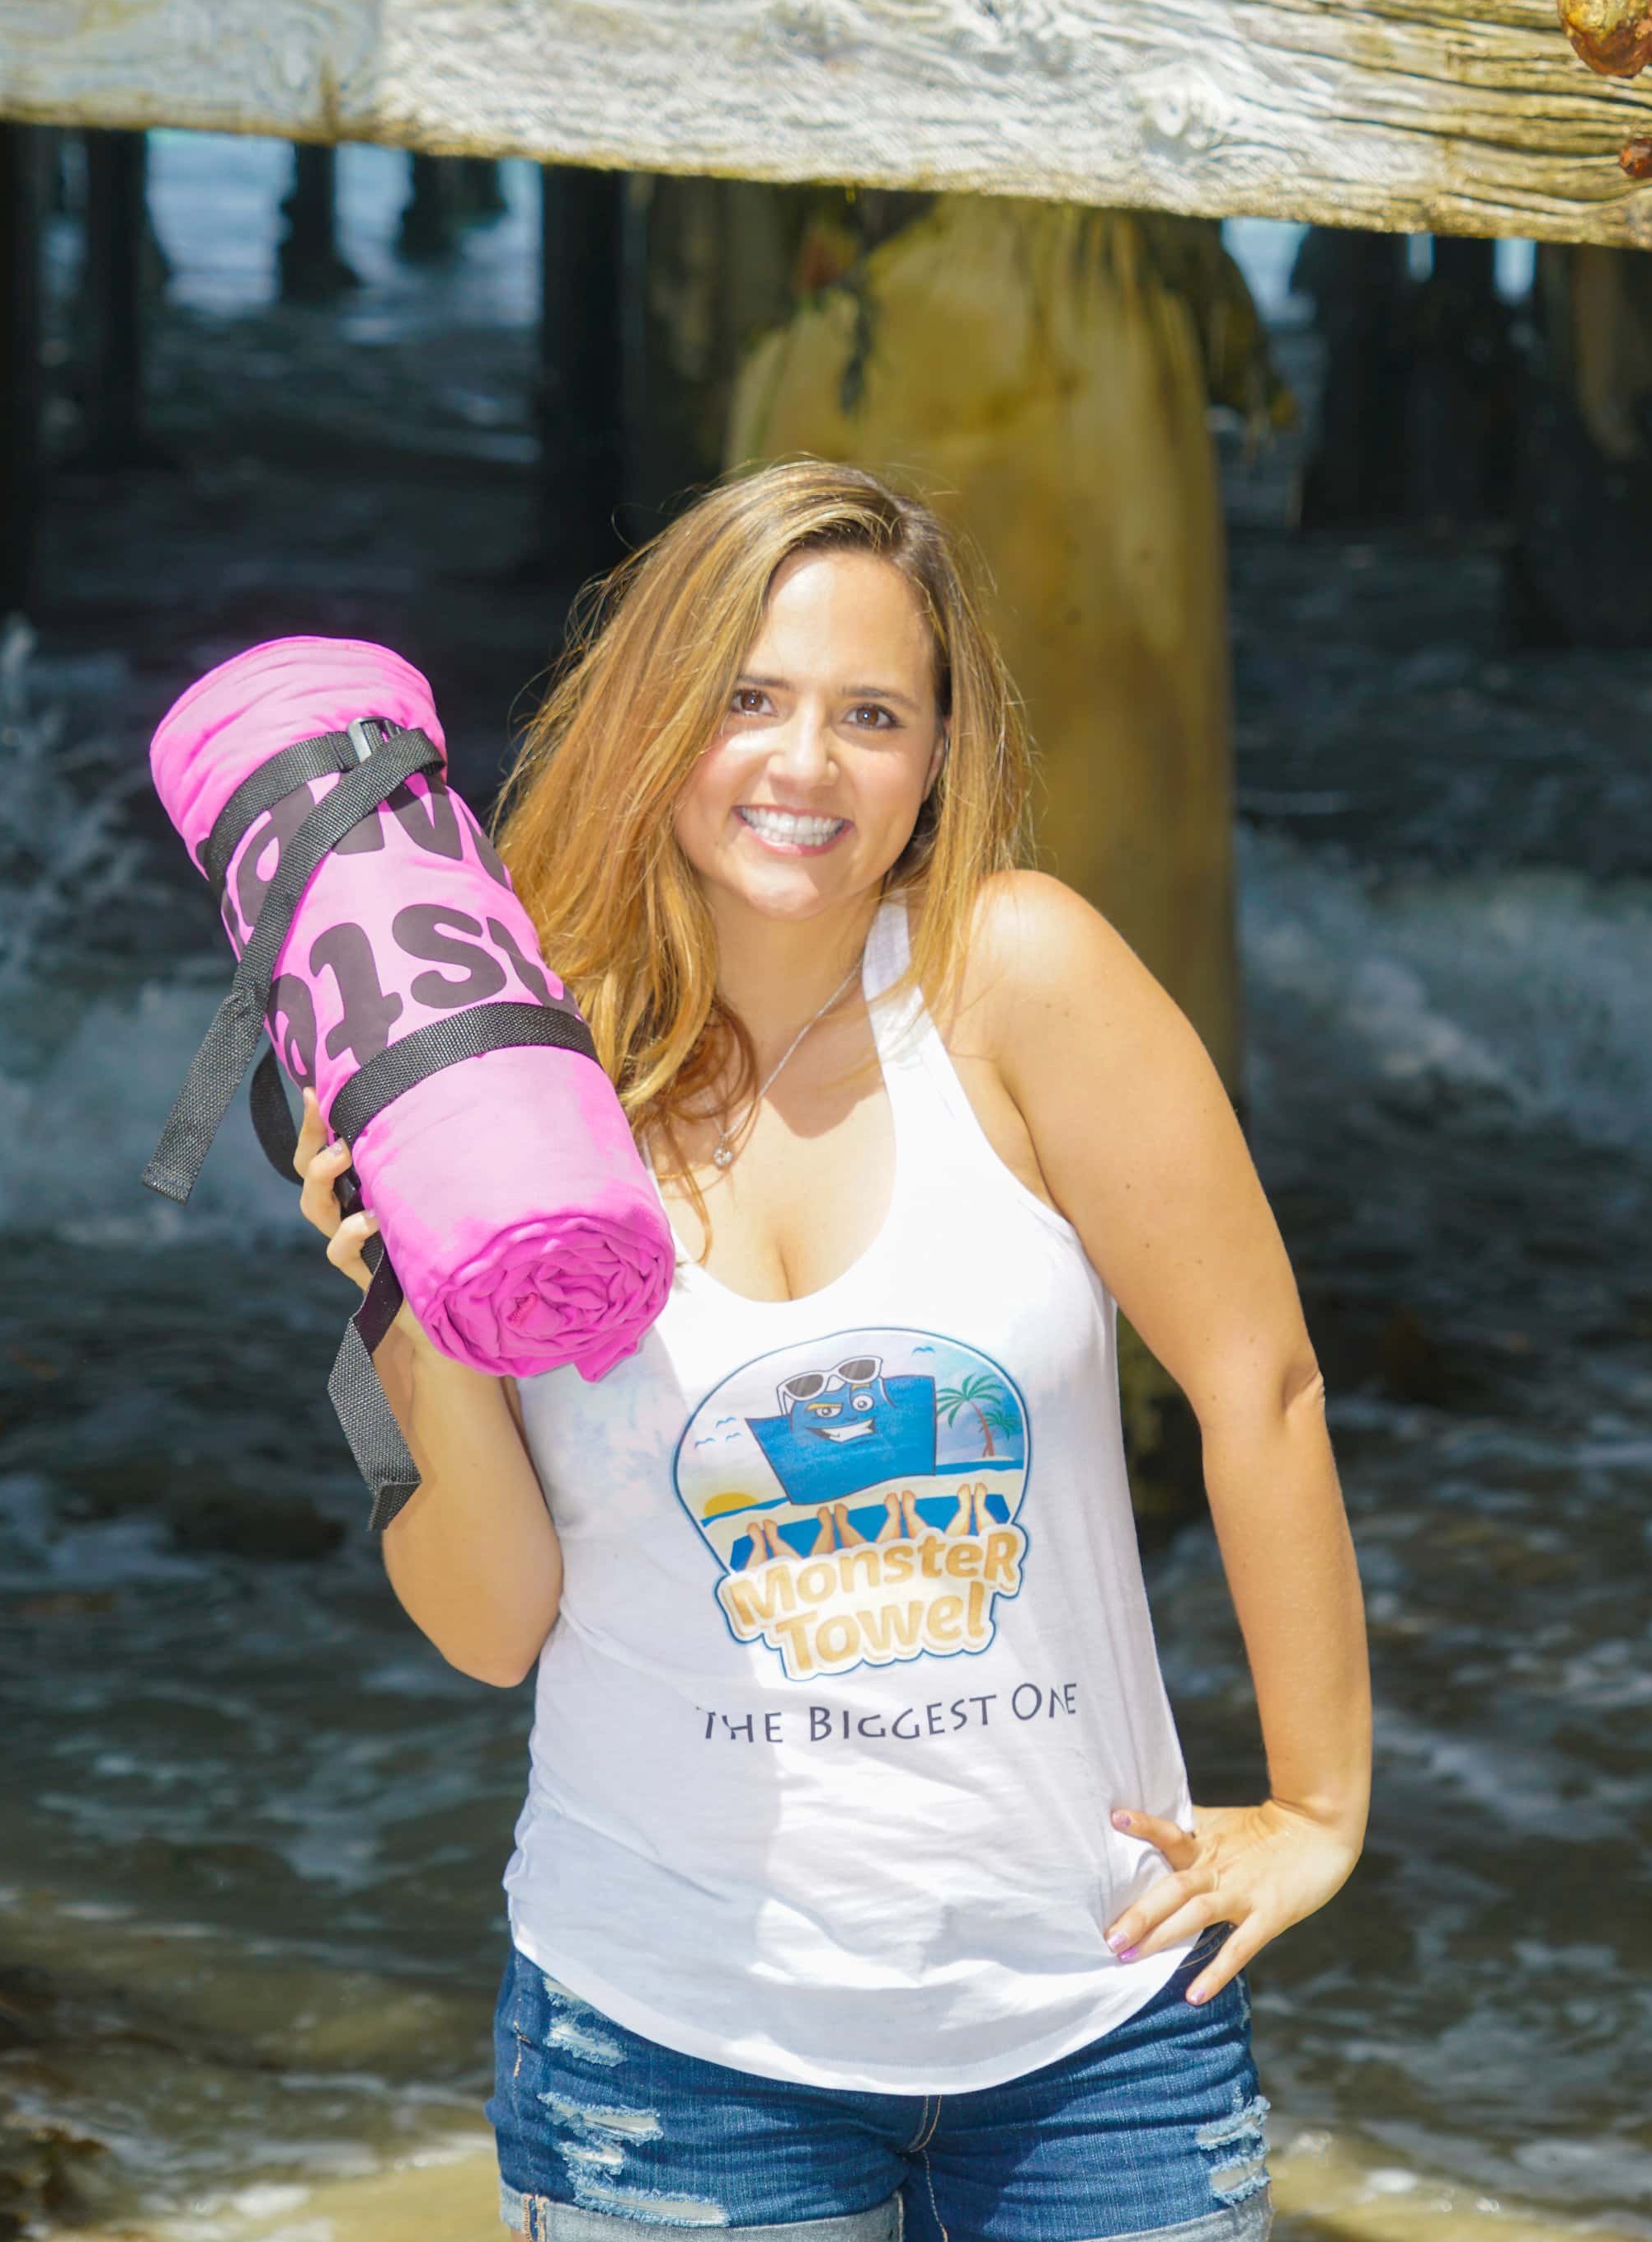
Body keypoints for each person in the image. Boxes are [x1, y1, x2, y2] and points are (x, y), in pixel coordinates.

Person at [294, 460, 1369, 2242]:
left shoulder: (1017, 979)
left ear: (937, 753)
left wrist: (1318, 1804)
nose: (804, 764)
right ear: (656, 716)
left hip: (1096, 2023)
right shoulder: (503, 1075)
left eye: (871, 714)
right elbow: (488, 1630)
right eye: (748, 699)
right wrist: (418, 1312)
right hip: (668, 2051)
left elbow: (1261, 1385)